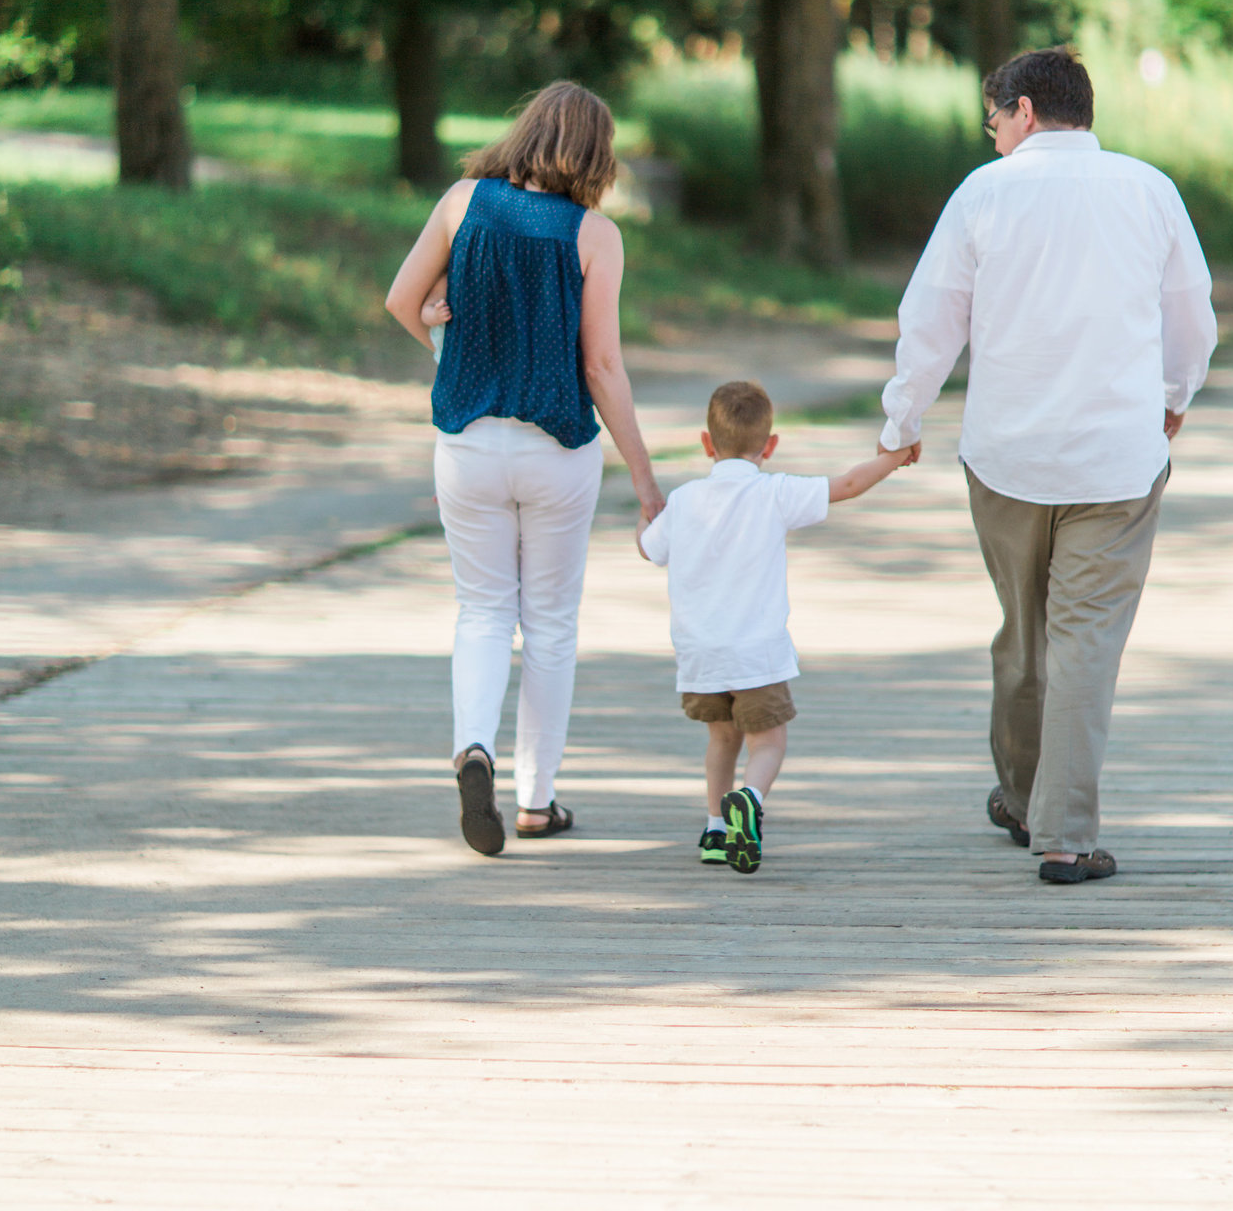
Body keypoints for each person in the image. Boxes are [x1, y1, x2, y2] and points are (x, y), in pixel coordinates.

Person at [879, 47, 1217, 885]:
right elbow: (1191, 315)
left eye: (994, 120)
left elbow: (930, 319)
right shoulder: (1149, 190)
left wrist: (902, 419)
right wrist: (1176, 395)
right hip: (1118, 459)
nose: (993, 136)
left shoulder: (982, 195)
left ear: (1024, 109)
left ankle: (1027, 798)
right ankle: (1059, 832)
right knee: (1084, 645)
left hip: (1006, 458)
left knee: (1024, 632)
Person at [386, 81, 664, 855]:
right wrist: (644, 478)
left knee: (480, 611)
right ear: (596, 156)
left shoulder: (462, 200)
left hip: (468, 445)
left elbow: (401, 301)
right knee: (548, 626)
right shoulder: (594, 235)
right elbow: (602, 367)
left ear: (528, 131)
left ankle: (473, 746)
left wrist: (453, 354)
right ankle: (537, 800)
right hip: (555, 452)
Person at [639, 379, 915, 874]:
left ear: (707, 444)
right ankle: (749, 798)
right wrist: (892, 458)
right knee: (768, 742)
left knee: (721, 740)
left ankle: (714, 830)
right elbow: (848, 485)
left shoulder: (683, 501)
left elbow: (650, 549)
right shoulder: (775, 492)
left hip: (700, 654)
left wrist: (645, 522)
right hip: (756, 654)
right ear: (770, 446)